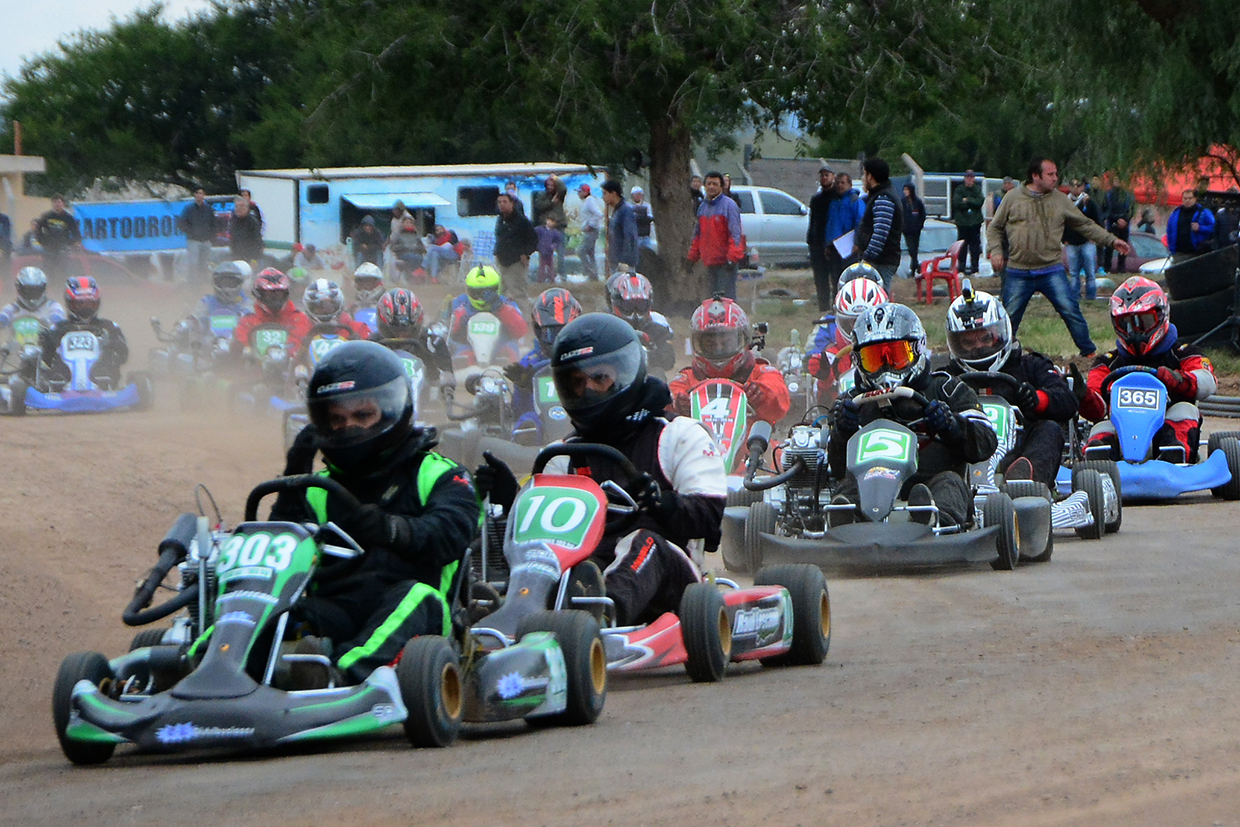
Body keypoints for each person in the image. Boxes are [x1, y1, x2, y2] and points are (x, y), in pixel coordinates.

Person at [475, 313, 727, 624]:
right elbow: (542, 537)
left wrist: (663, 504)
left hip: (672, 583)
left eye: (599, 378)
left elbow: (709, 524)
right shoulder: (563, 454)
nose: (588, 391)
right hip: (586, 575)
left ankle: (603, 616)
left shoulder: (677, 434)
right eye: (577, 383)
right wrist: (511, 501)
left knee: (640, 540)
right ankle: (509, 612)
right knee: (533, 552)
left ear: (627, 371)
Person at [270, 340, 479, 685]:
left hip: (418, 611)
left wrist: (390, 529)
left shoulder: (438, 474)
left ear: (393, 409)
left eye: (362, 415)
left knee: (415, 598)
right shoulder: (318, 487)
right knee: (277, 609)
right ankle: (209, 665)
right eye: (336, 419)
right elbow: (279, 552)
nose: (348, 427)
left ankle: (340, 675)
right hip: (336, 610)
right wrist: (293, 480)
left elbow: (450, 533)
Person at [828, 303, 997, 527]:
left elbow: (987, 442)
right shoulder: (850, 402)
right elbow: (837, 469)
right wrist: (842, 433)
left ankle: (932, 519)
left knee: (949, 482)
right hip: (870, 484)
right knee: (848, 486)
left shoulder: (946, 389)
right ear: (859, 362)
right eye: (875, 359)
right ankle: (846, 522)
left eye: (896, 355)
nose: (886, 368)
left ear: (917, 348)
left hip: (930, 482)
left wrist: (953, 427)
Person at [987, 156, 1132, 358]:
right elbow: (994, 228)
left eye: (1056, 174)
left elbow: (1085, 225)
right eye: (1050, 174)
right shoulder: (1012, 198)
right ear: (1035, 176)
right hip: (1018, 270)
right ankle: (997, 355)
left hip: (1051, 269)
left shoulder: (1060, 200)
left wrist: (1111, 240)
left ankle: (1089, 354)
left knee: (1071, 311)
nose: (1055, 178)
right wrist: (996, 251)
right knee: (1008, 318)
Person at [942, 286, 1077, 487]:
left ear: (1001, 331)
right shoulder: (948, 378)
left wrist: (1037, 399)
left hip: (1019, 451)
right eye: (968, 341)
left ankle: (1024, 483)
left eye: (985, 337)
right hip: (965, 455)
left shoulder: (1029, 365)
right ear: (956, 344)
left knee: (1049, 429)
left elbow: (1068, 401)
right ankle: (948, 487)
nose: (979, 346)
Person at [1078, 277, 1216, 463]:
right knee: (1101, 427)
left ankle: (1173, 457)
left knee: (1184, 409)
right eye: (1125, 323)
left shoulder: (1182, 353)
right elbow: (1096, 408)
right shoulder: (1107, 362)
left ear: (1161, 315)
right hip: (1122, 432)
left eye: (1143, 321)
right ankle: (1100, 464)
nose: (1135, 332)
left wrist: (1177, 380)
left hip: (1165, 426)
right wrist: (1083, 395)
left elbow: (1207, 382)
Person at [668, 296, 790, 424]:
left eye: (726, 342)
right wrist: (679, 404)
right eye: (711, 344)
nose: (719, 349)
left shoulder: (761, 374)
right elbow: (669, 399)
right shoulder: (687, 379)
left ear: (744, 340)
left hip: (751, 441)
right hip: (699, 441)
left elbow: (779, 401)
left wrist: (761, 397)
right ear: (697, 343)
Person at [503, 287, 584, 441]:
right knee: (527, 421)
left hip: (580, 416)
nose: (555, 339)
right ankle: (525, 456)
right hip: (542, 425)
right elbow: (519, 409)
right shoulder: (530, 362)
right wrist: (524, 385)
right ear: (538, 330)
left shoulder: (588, 356)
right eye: (549, 332)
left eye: (562, 331)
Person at [806, 273, 888, 408]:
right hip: (847, 422)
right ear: (840, 322)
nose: (858, 329)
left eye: (866, 323)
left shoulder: (896, 350)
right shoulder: (830, 358)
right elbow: (821, 408)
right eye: (852, 322)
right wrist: (824, 380)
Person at [39, 276, 129, 389]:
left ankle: (102, 383)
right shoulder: (58, 328)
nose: (85, 309)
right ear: (70, 303)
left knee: (110, 355)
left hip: (101, 378)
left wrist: (109, 344)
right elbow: (46, 358)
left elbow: (123, 355)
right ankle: (62, 383)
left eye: (90, 304)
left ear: (97, 303)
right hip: (64, 381)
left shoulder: (109, 327)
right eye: (79, 304)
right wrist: (47, 340)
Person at [372, 287, 455, 390]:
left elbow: (447, 381)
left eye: (408, 332)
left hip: (424, 402)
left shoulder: (433, 343)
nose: (401, 337)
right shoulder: (371, 345)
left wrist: (437, 375)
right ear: (383, 326)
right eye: (395, 332)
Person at [448, 265, 529, 364]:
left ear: (497, 289)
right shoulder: (459, 302)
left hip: (500, 349)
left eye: (486, 292)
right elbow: (450, 334)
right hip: (469, 349)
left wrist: (501, 308)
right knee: (458, 353)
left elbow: (521, 331)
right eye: (476, 292)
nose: (481, 297)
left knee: (511, 351)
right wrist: (463, 315)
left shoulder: (507, 303)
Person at [687, 171, 745, 300]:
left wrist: (732, 258)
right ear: (704, 186)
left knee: (725, 300)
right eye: (709, 184)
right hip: (709, 262)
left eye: (715, 184)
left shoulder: (729, 206)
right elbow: (698, 235)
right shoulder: (702, 207)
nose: (711, 187)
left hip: (725, 263)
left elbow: (736, 235)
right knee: (711, 300)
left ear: (721, 186)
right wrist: (692, 257)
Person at [606, 269, 676, 374]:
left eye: (640, 305)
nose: (635, 311)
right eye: (629, 305)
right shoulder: (606, 327)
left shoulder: (657, 328)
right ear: (616, 302)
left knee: (658, 374)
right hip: (614, 379)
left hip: (645, 379)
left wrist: (650, 351)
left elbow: (668, 361)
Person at [234, 267, 313, 356]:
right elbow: (239, 349)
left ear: (286, 294)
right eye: (270, 295)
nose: (275, 299)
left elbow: (301, 345)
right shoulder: (248, 321)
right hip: (257, 367)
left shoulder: (298, 319)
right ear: (259, 294)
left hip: (288, 366)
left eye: (279, 294)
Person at [853, 157, 904, 290]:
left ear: (871, 176)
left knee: (878, 300)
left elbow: (880, 232)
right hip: (879, 259)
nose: (863, 178)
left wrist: (867, 258)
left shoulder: (883, 198)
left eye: (865, 174)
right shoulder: (878, 195)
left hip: (881, 261)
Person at [185, 260, 253, 349]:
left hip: (237, 345)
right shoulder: (207, 301)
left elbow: (252, 317)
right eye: (223, 283)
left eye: (231, 283)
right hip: (208, 344)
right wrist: (190, 323)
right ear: (215, 283)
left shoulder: (246, 302)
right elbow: (195, 317)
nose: (227, 288)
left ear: (239, 284)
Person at [0, 266, 67, 347]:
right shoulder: (10, 309)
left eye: (35, 290)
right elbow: (2, 320)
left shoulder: (53, 307)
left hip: (45, 353)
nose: (31, 295)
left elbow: (61, 327)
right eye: (27, 290)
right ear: (19, 289)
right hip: (14, 354)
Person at [1063, 178, 1104, 299]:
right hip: (1071, 242)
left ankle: (1091, 295)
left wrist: (1094, 237)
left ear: (1082, 187)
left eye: (1078, 185)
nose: (1075, 188)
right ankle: (1075, 296)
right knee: (1074, 272)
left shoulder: (1089, 202)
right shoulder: (1066, 203)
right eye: (1073, 185)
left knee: (1090, 272)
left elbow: (1097, 221)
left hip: (1087, 241)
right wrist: (1063, 239)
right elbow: (1060, 222)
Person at [493, 191, 537, 303]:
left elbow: (533, 240)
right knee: (500, 293)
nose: (502, 204)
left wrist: (526, 253)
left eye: (505, 202)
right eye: (499, 202)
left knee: (519, 293)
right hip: (502, 261)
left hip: (516, 262)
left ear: (512, 203)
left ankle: (525, 318)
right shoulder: (500, 220)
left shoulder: (522, 221)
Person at [824, 172, 863, 296]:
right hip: (835, 247)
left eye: (843, 183)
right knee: (835, 279)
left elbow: (860, 222)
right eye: (838, 183)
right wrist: (827, 244)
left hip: (849, 247)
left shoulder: (855, 201)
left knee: (849, 277)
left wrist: (857, 242)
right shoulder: (834, 202)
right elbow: (830, 224)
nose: (840, 186)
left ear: (849, 184)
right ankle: (837, 304)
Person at [807, 166, 838, 311]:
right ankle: (823, 307)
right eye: (822, 176)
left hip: (833, 243)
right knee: (820, 278)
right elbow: (813, 221)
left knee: (836, 277)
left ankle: (837, 305)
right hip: (817, 243)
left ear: (833, 177)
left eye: (827, 175)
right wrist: (810, 239)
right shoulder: (816, 199)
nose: (824, 178)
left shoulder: (837, 197)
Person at [302, 278, 371, 342]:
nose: (325, 311)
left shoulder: (358, 329)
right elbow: (293, 353)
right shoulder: (301, 331)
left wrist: (357, 344)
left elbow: (372, 351)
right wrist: (304, 346)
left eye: (330, 307)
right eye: (319, 308)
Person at [35, 195, 82, 280]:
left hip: (62, 249)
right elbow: (38, 230)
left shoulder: (68, 218)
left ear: (63, 203)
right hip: (48, 249)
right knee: (48, 271)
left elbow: (76, 234)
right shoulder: (46, 216)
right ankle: (50, 288)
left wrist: (69, 242)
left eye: (58, 202)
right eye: (54, 202)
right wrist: (42, 241)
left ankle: (60, 288)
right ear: (52, 204)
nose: (57, 204)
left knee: (62, 271)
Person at [178, 187, 217, 284]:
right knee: (193, 264)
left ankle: (203, 283)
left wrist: (210, 236)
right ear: (195, 195)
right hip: (193, 240)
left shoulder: (208, 209)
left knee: (204, 264)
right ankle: (193, 285)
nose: (199, 195)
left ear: (204, 195)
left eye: (201, 193)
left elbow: (213, 223)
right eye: (197, 193)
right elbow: (182, 223)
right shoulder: (188, 208)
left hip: (206, 240)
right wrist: (191, 232)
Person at [532, 176, 569, 277]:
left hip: (559, 225)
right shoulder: (541, 195)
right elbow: (538, 206)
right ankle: (544, 276)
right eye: (548, 185)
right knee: (544, 255)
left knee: (561, 253)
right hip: (546, 228)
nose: (550, 187)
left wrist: (556, 178)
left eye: (552, 185)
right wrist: (551, 203)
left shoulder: (559, 195)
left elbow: (564, 189)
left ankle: (562, 275)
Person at [1166, 190, 1216, 262]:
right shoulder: (1176, 213)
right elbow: (1169, 230)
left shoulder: (1203, 212)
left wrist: (1200, 228)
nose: (1187, 201)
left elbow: (1214, 228)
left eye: (1190, 198)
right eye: (1185, 198)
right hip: (1178, 253)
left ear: (1195, 199)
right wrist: (1171, 247)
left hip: (1196, 253)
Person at [951, 170, 985, 275]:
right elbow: (957, 203)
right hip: (962, 223)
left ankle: (975, 268)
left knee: (975, 246)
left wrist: (968, 200)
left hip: (975, 223)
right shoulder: (959, 189)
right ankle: (961, 268)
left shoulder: (977, 189)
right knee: (962, 246)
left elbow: (979, 202)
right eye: (968, 177)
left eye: (971, 177)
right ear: (965, 178)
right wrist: (970, 203)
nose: (970, 179)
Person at [602, 179, 639, 274]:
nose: (603, 197)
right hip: (615, 261)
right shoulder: (616, 211)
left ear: (613, 193)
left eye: (605, 193)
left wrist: (625, 261)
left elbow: (630, 236)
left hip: (623, 264)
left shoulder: (625, 211)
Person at [1101, 179, 1135, 273]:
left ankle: (1121, 267)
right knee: (1109, 246)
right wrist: (1116, 219)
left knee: (1124, 246)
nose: (1118, 182)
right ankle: (1107, 267)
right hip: (1112, 224)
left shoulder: (1128, 195)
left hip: (1125, 225)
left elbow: (1131, 210)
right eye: (1115, 180)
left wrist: (1125, 220)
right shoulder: (1109, 195)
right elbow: (1107, 210)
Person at [575, 183, 605, 280]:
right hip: (589, 231)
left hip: (592, 230)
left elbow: (599, 214)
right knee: (590, 253)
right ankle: (594, 275)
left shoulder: (590, 200)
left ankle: (591, 272)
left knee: (580, 251)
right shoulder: (586, 201)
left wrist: (590, 224)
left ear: (585, 192)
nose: (578, 194)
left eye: (580, 192)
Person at [347, 262, 385, 334]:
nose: (364, 284)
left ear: (376, 282)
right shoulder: (352, 307)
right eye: (360, 281)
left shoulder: (386, 304)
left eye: (368, 281)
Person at [387, 214, 426, 280]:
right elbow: (392, 247)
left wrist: (417, 248)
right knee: (413, 257)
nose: (408, 224)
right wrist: (403, 247)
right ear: (402, 224)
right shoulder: (398, 235)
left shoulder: (416, 235)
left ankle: (413, 274)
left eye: (410, 222)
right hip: (403, 254)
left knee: (418, 258)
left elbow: (423, 248)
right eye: (406, 222)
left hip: (416, 255)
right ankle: (413, 274)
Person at [228, 198, 264, 267]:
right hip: (237, 257)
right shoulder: (233, 222)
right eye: (237, 206)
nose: (239, 208)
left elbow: (257, 241)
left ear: (247, 208)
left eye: (242, 206)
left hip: (251, 257)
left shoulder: (253, 222)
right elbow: (232, 240)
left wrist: (254, 259)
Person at [901, 183, 926, 277]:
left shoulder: (917, 202)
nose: (905, 192)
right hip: (906, 230)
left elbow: (922, 214)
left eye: (907, 190)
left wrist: (920, 225)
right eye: (904, 190)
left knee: (914, 249)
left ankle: (914, 267)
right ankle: (916, 266)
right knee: (911, 249)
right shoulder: (902, 202)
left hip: (916, 230)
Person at [534, 217, 564, 284]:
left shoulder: (555, 232)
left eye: (552, 221)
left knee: (550, 266)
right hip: (542, 250)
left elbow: (558, 241)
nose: (550, 222)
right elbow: (534, 235)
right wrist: (537, 245)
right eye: (549, 220)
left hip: (550, 251)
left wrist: (553, 246)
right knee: (542, 265)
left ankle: (551, 279)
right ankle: (540, 280)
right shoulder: (540, 229)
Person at [631, 186, 655, 250]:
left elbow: (651, 217)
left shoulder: (647, 206)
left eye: (639, 194)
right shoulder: (629, 206)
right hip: (635, 236)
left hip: (646, 235)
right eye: (636, 194)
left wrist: (641, 218)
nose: (638, 196)